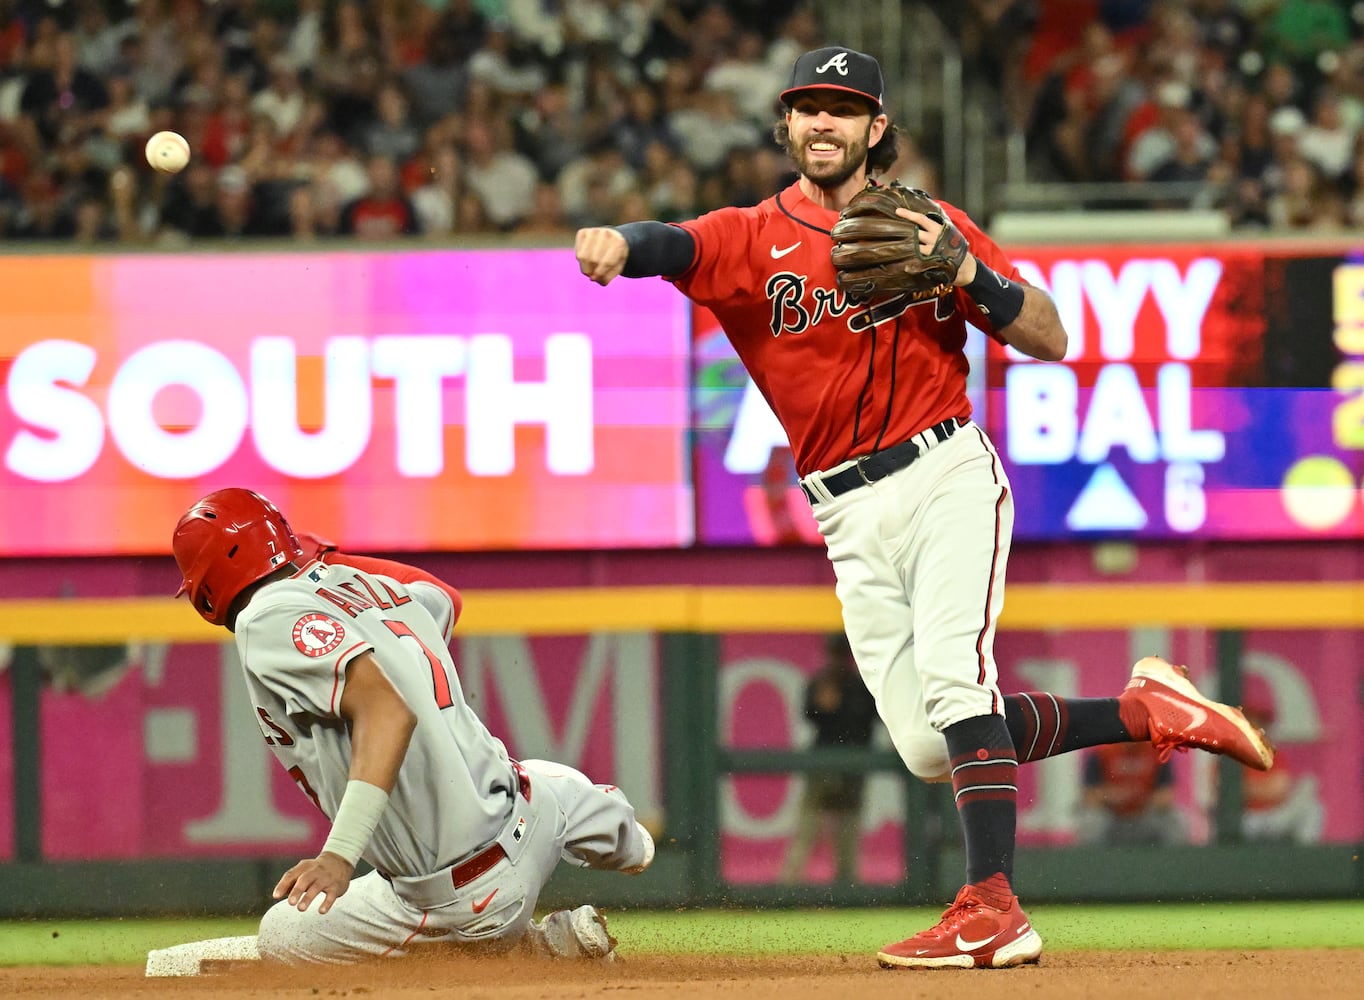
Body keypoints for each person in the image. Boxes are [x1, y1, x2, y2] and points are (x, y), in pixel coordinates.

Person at [574, 45, 1275, 970]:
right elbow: (674, 244)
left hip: (942, 473)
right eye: (806, 108)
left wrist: (964, 275)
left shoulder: (931, 224)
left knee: (956, 685)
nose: (822, 123)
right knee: (924, 743)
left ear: (875, 128)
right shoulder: (750, 236)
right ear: (786, 126)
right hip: (843, 513)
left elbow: (1051, 335)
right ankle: (1144, 711)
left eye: (843, 108)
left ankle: (993, 905)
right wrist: (623, 242)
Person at [170, 488, 655, 966]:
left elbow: (386, 710)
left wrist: (338, 856)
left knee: (282, 935)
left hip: (472, 894)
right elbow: (443, 598)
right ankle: (620, 832)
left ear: (205, 585)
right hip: (535, 808)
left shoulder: (264, 617)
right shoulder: (358, 584)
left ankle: (539, 948)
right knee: (546, 784)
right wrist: (331, 561)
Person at [779, 632, 879, 884]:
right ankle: (787, 887)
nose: (838, 661)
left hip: (854, 766)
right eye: (834, 654)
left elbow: (873, 719)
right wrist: (822, 704)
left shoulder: (862, 685)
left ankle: (848, 886)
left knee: (847, 829)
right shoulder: (821, 682)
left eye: (842, 655)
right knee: (808, 827)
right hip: (822, 764)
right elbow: (810, 716)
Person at [1076, 743, 1187, 846]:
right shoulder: (1102, 753)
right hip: (1113, 817)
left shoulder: (1158, 753)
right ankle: (1090, 863)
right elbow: (1089, 795)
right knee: (1092, 821)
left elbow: (1166, 795)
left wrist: (1140, 798)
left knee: (1175, 819)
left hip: (1145, 816)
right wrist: (1113, 796)